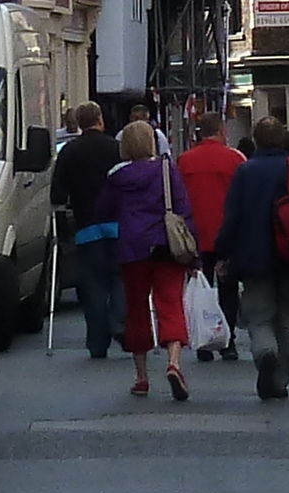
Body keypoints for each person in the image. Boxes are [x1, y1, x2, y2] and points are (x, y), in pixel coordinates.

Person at [216, 115, 289, 400]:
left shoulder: (244, 172)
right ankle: (281, 376)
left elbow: (232, 218)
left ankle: (265, 352)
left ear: (255, 140)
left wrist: (223, 252)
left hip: (253, 258)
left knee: (258, 315)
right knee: (286, 316)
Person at [104, 119, 191, 402]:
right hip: (166, 244)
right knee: (170, 303)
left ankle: (141, 377)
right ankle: (174, 362)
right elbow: (183, 208)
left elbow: (103, 209)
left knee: (137, 309)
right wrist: (195, 251)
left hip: (133, 247)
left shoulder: (117, 177)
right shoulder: (167, 169)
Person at [51, 103, 125, 358]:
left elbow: (57, 193)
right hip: (117, 224)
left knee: (92, 284)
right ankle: (118, 318)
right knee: (120, 275)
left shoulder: (69, 151)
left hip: (87, 226)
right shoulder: (117, 148)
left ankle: (97, 341)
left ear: (80, 124)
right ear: (100, 120)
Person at [173, 109, 247, 362]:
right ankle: (228, 341)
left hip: (195, 236)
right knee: (228, 290)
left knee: (198, 290)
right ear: (221, 131)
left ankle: (203, 340)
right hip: (227, 235)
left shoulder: (184, 160)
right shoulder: (234, 159)